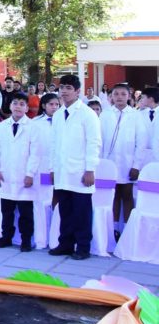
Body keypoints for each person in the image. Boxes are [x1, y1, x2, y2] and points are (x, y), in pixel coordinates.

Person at [49, 75, 102, 260]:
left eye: (69, 88)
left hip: (80, 171)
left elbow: (94, 143)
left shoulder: (87, 114)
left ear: (78, 91)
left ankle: (83, 247)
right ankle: (66, 244)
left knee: (81, 212)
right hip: (62, 170)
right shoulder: (58, 114)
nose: (64, 91)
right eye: (62, 87)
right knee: (65, 210)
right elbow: (54, 144)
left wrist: (90, 169)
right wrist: (52, 168)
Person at [0, 93, 40, 252]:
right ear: (10, 106)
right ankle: (6, 237)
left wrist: (30, 173)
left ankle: (26, 240)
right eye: (15, 103)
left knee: (25, 212)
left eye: (22, 104)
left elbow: (35, 153)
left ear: (27, 108)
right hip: (6, 173)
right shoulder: (2, 125)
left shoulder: (32, 127)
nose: (18, 107)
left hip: (24, 174)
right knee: (6, 210)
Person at [98, 83, 150, 230]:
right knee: (112, 195)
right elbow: (99, 140)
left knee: (127, 195)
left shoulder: (136, 115)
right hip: (109, 162)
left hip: (128, 163)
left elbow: (141, 143)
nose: (119, 97)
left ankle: (127, 229)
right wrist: (100, 163)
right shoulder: (105, 115)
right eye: (116, 94)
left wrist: (136, 165)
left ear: (129, 96)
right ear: (111, 97)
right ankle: (113, 229)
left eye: (123, 94)